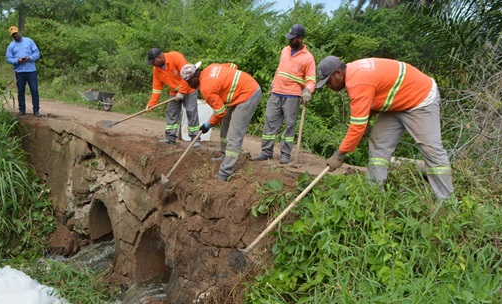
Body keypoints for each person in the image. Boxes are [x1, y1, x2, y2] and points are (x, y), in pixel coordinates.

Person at [317, 56, 454, 199]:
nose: (328, 86)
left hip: (420, 98)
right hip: (397, 102)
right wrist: (366, 123)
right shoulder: (353, 73)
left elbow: (357, 126)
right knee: (378, 142)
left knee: (431, 150)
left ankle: (447, 202)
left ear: (338, 73)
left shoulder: (358, 82)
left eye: (328, 81)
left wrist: (339, 155)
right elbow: (372, 103)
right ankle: (374, 194)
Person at [180, 62, 262, 181]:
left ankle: (225, 172)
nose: (190, 86)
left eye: (189, 82)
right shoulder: (211, 67)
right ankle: (224, 155)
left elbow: (220, 113)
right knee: (225, 126)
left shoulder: (206, 88)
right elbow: (233, 66)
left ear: (195, 76)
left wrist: (207, 125)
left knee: (234, 134)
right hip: (241, 92)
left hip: (248, 94)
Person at [253, 24, 316, 164]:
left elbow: (311, 79)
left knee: (289, 125)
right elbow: (279, 70)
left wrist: (307, 91)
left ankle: (285, 154)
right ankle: (266, 152)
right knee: (269, 122)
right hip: (276, 92)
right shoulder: (284, 51)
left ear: (300, 38)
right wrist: (272, 85)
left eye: (293, 39)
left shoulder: (308, 58)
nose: (290, 41)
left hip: (292, 96)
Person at [145, 48, 201, 147]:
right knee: (171, 112)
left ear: (159, 57)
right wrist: (151, 104)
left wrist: (182, 92)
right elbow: (156, 89)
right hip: (174, 92)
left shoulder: (175, 57)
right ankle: (170, 138)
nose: (153, 64)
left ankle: (195, 139)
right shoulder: (156, 70)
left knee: (191, 111)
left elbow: (187, 74)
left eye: (153, 62)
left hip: (189, 88)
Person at [5, 26, 41, 117]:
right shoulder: (11, 46)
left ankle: (36, 110)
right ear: (11, 36)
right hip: (19, 71)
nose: (15, 35)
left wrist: (30, 58)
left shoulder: (29, 41)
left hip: (31, 70)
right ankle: (22, 110)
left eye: (16, 33)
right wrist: (17, 60)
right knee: (21, 91)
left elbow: (37, 53)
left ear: (19, 32)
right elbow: (9, 58)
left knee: (34, 90)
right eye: (13, 35)